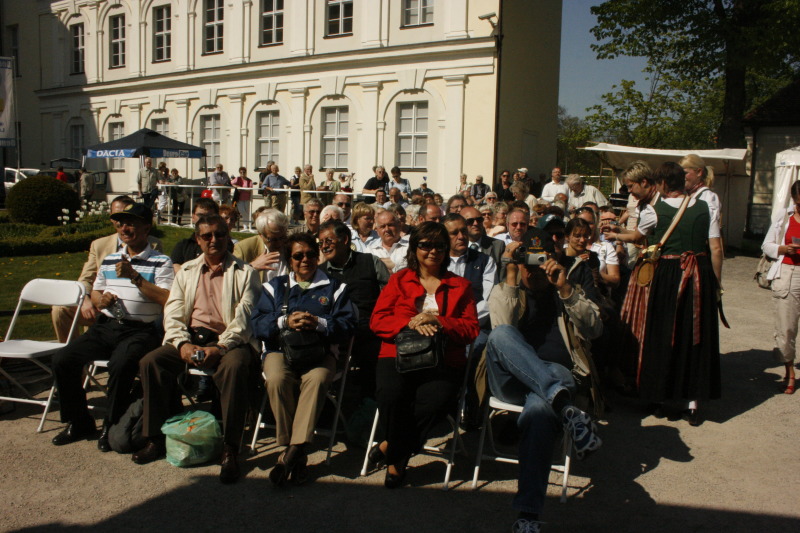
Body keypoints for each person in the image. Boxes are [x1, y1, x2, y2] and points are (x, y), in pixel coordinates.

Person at [483, 231, 603, 532]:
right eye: (528, 262)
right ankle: (565, 407)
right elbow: (500, 326)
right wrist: (511, 274)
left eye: (540, 261)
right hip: (512, 379)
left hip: (557, 374)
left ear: (553, 259)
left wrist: (565, 289)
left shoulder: (566, 289)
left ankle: (528, 517)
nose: (533, 270)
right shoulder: (508, 286)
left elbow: (595, 329)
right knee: (501, 334)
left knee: (539, 412)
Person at [132, 215, 261, 483]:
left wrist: (221, 347)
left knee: (235, 367)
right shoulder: (187, 272)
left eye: (220, 234)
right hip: (191, 338)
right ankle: (155, 437)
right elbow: (173, 312)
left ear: (228, 237)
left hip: (229, 340)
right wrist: (181, 343)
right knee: (151, 362)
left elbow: (244, 318)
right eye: (207, 236)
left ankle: (230, 446)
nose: (214, 240)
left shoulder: (246, 272)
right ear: (197, 240)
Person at [51, 204, 173, 451]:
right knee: (63, 359)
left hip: (141, 330)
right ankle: (79, 421)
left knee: (121, 364)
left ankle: (112, 423)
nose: (124, 228)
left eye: (130, 223)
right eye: (120, 223)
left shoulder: (161, 261)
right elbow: (96, 292)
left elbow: (166, 298)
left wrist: (135, 276)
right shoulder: (110, 259)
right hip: (107, 326)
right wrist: (101, 300)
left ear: (146, 227)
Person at [368, 222, 480, 488]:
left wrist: (439, 321)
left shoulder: (460, 286)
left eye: (439, 246)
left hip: (443, 359)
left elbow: (471, 328)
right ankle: (399, 457)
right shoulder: (399, 280)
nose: (433, 251)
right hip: (398, 354)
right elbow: (378, 320)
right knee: (390, 394)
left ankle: (391, 448)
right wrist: (411, 322)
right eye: (425, 245)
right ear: (414, 248)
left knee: (437, 402)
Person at [251, 232, 357, 486]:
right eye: (298, 256)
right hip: (280, 350)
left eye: (310, 254)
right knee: (276, 379)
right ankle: (296, 452)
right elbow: (257, 324)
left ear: (317, 256)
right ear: (289, 260)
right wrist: (284, 321)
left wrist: (319, 323)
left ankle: (290, 453)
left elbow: (348, 326)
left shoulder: (336, 287)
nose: (305, 260)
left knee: (318, 379)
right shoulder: (274, 287)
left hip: (320, 352)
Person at [638, 162, 721, 425]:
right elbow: (716, 248)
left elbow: (639, 237)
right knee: (694, 335)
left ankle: (660, 397)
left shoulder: (653, 211)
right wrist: (716, 285)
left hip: (669, 275)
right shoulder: (705, 207)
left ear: (662, 183)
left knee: (664, 332)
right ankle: (692, 402)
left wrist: (617, 233)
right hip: (700, 274)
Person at [51, 196, 163, 343]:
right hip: (101, 305)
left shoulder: (152, 244)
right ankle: (72, 349)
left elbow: (155, 281)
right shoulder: (99, 245)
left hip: (134, 311)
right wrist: (86, 299)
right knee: (60, 309)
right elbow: (86, 278)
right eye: (117, 217)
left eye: (127, 218)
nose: (121, 223)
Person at [319, 220, 391, 400]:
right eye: (321, 243)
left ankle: (371, 404)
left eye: (328, 241)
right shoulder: (319, 273)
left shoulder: (370, 262)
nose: (324, 246)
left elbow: (389, 297)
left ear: (344, 240)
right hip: (335, 335)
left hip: (370, 332)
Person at [762, 180, 800, 395]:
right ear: (794, 199)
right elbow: (767, 245)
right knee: (786, 326)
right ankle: (790, 372)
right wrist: (784, 249)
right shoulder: (784, 216)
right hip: (788, 272)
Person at [681, 154, 723, 284]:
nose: (682, 177)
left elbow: (715, 246)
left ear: (699, 172)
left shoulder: (708, 198)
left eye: (685, 173)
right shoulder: (686, 196)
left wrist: (717, 282)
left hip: (699, 263)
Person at [234, 208, 289, 283]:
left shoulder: (292, 246)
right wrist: (252, 267)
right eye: (273, 239)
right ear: (260, 235)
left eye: (282, 237)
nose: (279, 243)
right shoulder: (243, 248)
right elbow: (231, 280)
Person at [171, 198, 222, 272]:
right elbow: (175, 266)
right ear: (193, 217)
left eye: (209, 216)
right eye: (200, 215)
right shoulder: (183, 246)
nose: (204, 219)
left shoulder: (223, 245)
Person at [460, 206, 505, 271]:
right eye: (470, 221)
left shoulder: (498, 246)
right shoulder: (455, 247)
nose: (476, 223)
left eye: (479, 220)